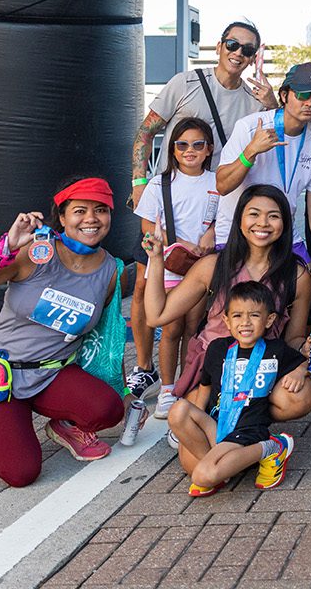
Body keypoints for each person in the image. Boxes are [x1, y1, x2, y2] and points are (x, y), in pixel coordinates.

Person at [126, 19, 275, 401]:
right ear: (218, 44)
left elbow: (273, 135)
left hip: (212, 206)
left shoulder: (252, 99)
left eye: (247, 49)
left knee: (196, 305)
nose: (238, 53)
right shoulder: (185, 82)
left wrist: (271, 104)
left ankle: (184, 377)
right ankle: (144, 369)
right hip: (167, 205)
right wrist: (139, 182)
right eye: (232, 44)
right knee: (145, 286)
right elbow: (146, 133)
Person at [0, 177, 126, 486]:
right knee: (21, 473)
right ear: (61, 217)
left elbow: (104, 334)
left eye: (101, 210)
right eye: (80, 210)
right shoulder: (33, 254)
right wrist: (4, 247)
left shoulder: (110, 270)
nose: (91, 219)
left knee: (109, 409)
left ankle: (64, 424)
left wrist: (120, 387)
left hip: (52, 375)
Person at [146, 185, 311, 425]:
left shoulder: (297, 276)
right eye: (254, 214)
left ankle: (246, 418)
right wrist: (155, 260)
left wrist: (307, 349)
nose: (263, 223)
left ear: (285, 224)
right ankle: (219, 415)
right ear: (239, 220)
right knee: (191, 453)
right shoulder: (214, 265)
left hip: (262, 366)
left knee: (301, 396)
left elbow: (293, 338)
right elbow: (157, 316)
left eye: (274, 216)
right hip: (214, 367)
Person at [160, 279, 304, 496]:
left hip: (248, 430)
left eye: (254, 315)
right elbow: (205, 389)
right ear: (226, 320)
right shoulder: (218, 348)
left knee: (201, 477)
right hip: (218, 426)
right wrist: (193, 425)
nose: (245, 322)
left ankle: (273, 446)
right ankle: (222, 468)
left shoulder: (275, 349)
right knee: (178, 410)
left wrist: (299, 372)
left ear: (269, 319)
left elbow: (303, 361)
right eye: (237, 316)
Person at [215, 63, 311, 292]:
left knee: (306, 289)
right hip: (237, 232)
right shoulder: (251, 127)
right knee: (241, 306)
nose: (309, 103)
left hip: (282, 233)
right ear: (284, 95)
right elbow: (222, 185)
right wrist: (251, 151)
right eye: (302, 94)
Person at [132, 117, 220, 419]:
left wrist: (212, 234)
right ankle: (168, 388)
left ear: (209, 149)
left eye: (197, 144)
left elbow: (225, 220)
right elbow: (146, 224)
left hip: (200, 268)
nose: (190, 150)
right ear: (172, 149)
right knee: (170, 329)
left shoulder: (218, 182)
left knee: (193, 329)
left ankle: (185, 385)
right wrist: (179, 241)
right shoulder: (160, 183)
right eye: (182, 145)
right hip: (168, 267)